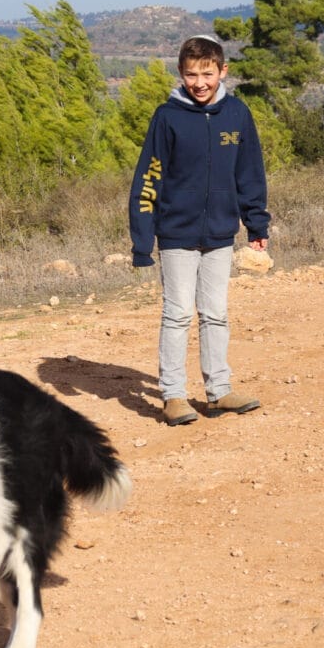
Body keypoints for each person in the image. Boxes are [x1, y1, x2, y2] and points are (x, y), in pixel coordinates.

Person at [128, 34, 271, 426]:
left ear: (223, 71)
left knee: (215, 314)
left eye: (207, 73)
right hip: (176, 234)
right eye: (191, 75)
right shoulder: (167, 116)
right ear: (181, 74)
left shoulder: (237, 115)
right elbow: (148, 179)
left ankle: (219, 392)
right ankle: (173, 396)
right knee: (177, 314)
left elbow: (250, 174)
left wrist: (256, 222)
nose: (200, 82)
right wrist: (143, 240)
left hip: (221, 234)